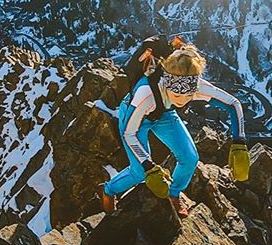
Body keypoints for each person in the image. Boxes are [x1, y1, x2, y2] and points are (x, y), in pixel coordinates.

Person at [97, 41, 250, 218]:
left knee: (190, 158)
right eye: (177, 95)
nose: (183, 100)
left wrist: (240, 143)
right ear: (167, 85)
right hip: (136, 117)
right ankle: (108, 190)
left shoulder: (195, 85)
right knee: (139, 172)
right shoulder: (145, 94)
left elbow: (233, 104)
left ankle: (174, 193)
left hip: (165, 113)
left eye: (189, 96)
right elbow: (129, 133)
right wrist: (148, 167)